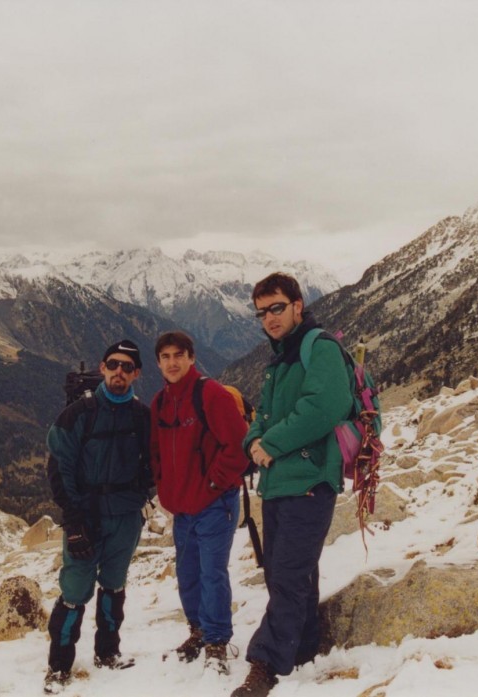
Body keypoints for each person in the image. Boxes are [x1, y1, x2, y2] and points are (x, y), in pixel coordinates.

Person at [231, 273, 353, 697]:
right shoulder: (279, 358)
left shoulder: (318, 346)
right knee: (291, 570)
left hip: (310, 478)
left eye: (277, 307)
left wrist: (271, 444)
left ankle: (266, 663)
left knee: (285, 571)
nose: (269, 318)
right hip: (280, 482)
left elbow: (325, 405)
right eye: (262, 312)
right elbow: (261, 415)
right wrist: (253, 443)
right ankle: (302, 646)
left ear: (298, 305)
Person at [44, 339, 152, 694]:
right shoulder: (78, 414)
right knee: (75, 590)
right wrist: (73, 520)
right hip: (86, 515)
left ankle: (108, 653)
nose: (119, 371)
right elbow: (60, 466)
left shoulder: (142, 416)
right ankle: (59, 666)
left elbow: (154, 463)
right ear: (103, 367)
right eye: (113, 364)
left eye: (127, 366)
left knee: (114, 585)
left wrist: (142, 496)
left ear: (136, 374)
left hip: (124, 516)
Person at [149, 331, 250, 675]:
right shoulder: (160, 403)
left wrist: (212, 484)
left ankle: (218, 642)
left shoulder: (211, 394)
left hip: (214, 504)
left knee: (211, 574)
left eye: (179, 355)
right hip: (182, 509)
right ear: (158, 362)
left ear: (191, 358)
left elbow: (238, 447)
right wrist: (165, 491)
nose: (173, 362)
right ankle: (199, 631)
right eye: (166, 356)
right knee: (188, 573)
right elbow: (157, 453)